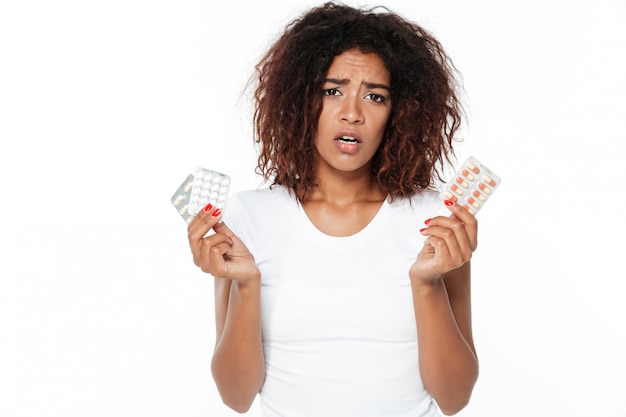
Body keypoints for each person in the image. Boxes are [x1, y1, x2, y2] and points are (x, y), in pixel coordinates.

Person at [187, 2, 479, 416]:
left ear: (398, 113)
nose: (352, 113)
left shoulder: (435, 222)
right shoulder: (248, 218)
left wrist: (426, 284)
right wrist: (246, 284)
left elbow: (454, 398)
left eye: (375, 96)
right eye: (332, 90)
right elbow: (236, 397)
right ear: (301, 101)